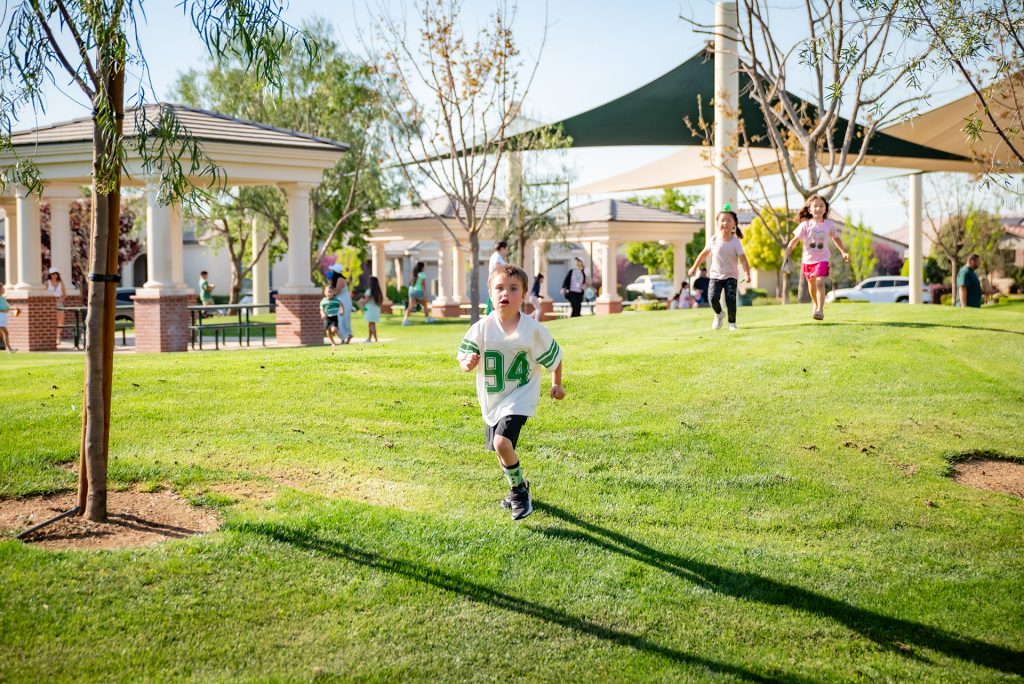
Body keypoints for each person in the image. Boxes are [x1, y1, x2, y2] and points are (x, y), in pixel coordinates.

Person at [457, 264, 566, 521]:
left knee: (501, 443)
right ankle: (518, 486)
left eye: (513, 288)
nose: (505, 293)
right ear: (490, 293)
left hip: (520, 397)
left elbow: (556, 356)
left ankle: (519, 494)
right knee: (500, 450)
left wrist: (556, 384)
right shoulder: (482, 328)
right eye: (500, 288)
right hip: (493, 399)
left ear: (524, 294)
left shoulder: (532, 330)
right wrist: (467, 364)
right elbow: (463, 359)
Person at [785, 195, 849, 321]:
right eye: (815, 206)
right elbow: (795, 239)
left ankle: (820, 309)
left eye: (821, 206)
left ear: (825, 209)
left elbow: (836, 238)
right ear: (809, 209)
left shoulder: (829, 225)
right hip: (808, 261)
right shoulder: (805, 225)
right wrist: (789, 248)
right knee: (812, 286)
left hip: (823, 259)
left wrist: (843, 252)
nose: (818, 208)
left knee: (819, 282)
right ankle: (815, 302)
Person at [688, 208, 751, 330]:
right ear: (717, 223)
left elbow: (743, 259)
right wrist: (694, 267)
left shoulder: (736, 242)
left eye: (729, 220)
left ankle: (732, 323)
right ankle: (719, 314)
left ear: (734, 224)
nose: (725, 223)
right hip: (716, 275)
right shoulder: (713, 240)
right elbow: (702, 255)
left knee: (730, 300)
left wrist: (747, 274)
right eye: (722, 220)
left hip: (731, 275)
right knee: (712, 298)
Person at [402, 262, 434, 326]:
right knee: (425, 305)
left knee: (410, 306)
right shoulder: (422, 274)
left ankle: (405, 320)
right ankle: (427, 319)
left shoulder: (414, 274)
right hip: (418, 291)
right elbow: (423, 284)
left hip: (411, 291)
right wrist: (425, 293)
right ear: (422, 267)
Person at [485, 241, 509, 314]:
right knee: (494, 298)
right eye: (506, 249)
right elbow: (497, 266)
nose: (506, 251)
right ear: (502, 248)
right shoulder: (497, 256)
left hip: (497, 281)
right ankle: (489, 314)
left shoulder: (497, 256)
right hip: (496, 281)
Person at [46, 267, 67, 346]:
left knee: (60, 320)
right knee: (50, 320)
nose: (55, 275)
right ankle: (51, 337)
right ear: (50, 275)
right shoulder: (46, 283)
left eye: (56, 274)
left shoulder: (61, 282)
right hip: (49, 303)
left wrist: (61, 300)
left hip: (59, 303)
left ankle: (58, 337)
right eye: (53, 274)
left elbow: (65, 294)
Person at [360, 276, 384, 342]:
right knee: (372, 324)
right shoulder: (378, 292)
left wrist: (361, 301)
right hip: (376, 310)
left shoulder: (369, 291)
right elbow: (379, 302)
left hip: (369, 309)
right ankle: (369, 338)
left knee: (371, 325)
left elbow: (366, 301)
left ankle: (376, 339)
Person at [319, 284, 342, 349]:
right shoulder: (323, 301)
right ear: (325, 292)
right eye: (328, 292)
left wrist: (342, 310)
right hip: (327, 318)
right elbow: (321, 309)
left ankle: (338, 334)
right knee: (328, 332)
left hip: (334, 317)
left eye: (330, 292)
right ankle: (333, 342)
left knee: (333, 329)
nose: (329, 293)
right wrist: (322, 314)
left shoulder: (336, 300)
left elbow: (341, 305)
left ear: (333, 293)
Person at [333, 273, 354, 344]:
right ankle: (344, 337)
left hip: (344, 303)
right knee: (341, 320)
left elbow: (337, 292)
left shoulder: (340, 279)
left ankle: (347, 335)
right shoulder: (340, 279)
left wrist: (329, 293)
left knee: (342, 319)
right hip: (342, 302)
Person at [0, 283, 18, 352]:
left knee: (4, 333)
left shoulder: (2, 298)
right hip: (0, 318)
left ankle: (9, 348)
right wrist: (4, 310)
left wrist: (13, 309)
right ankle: (10, 348)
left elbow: (7, 307)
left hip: (3, 318)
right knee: (5, 333)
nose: (4, 289)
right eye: (2, 288)